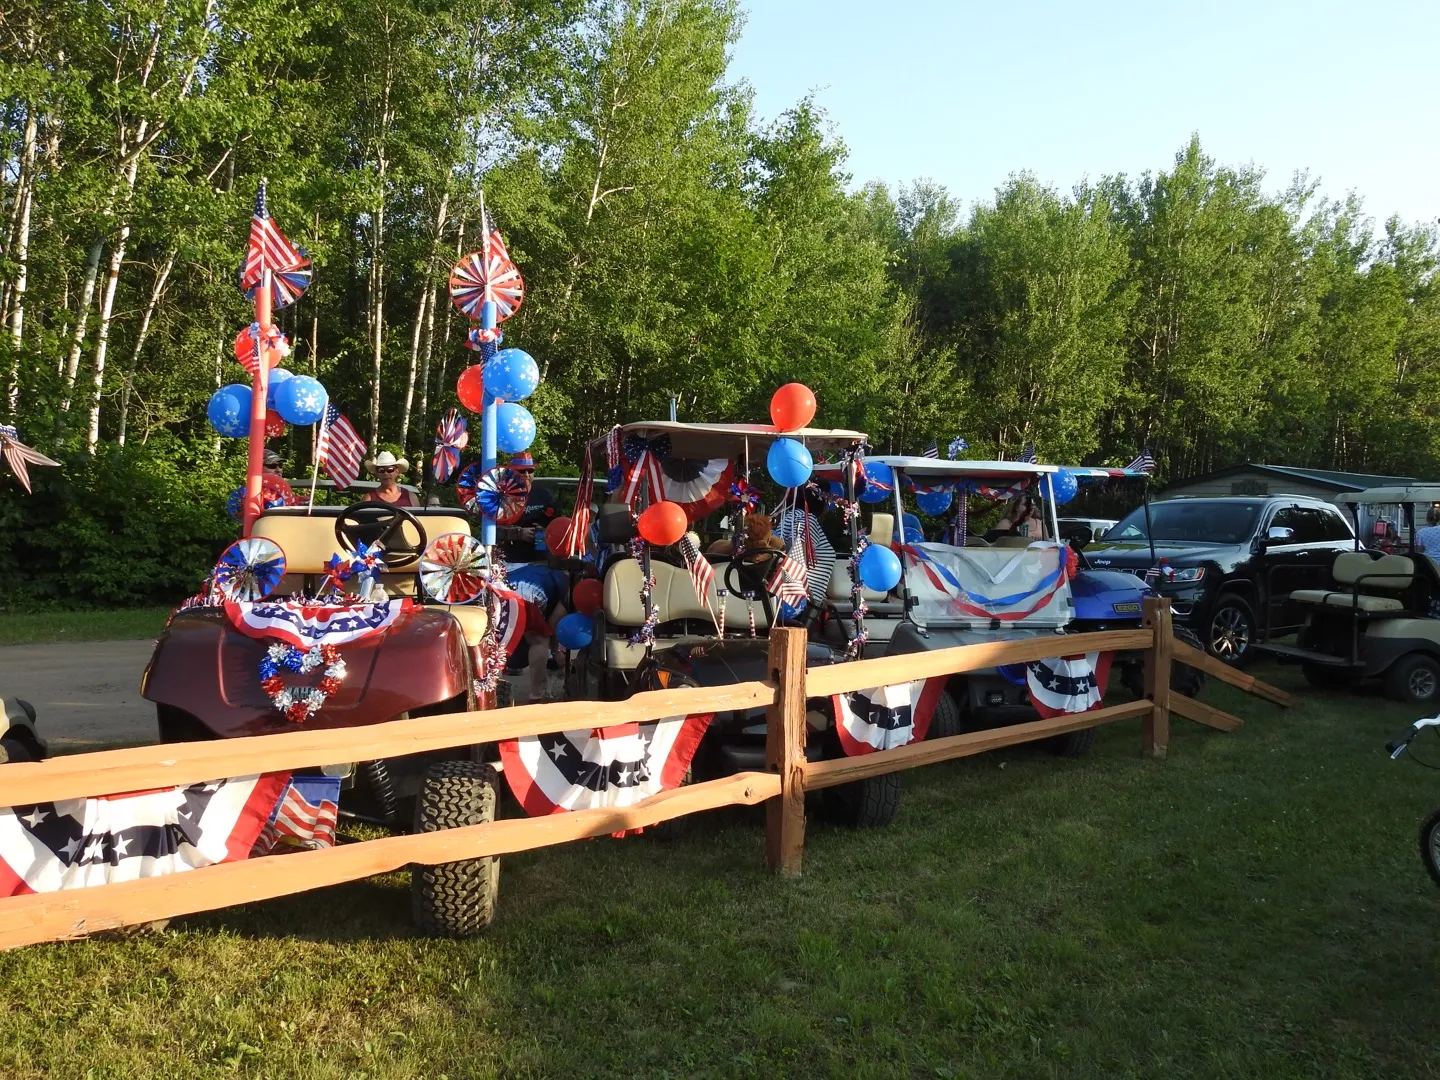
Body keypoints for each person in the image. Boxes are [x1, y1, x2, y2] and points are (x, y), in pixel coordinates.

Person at [497, 452, 557, 563]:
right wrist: (519, 533)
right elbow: (493, 531)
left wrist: (545, 530)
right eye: (521, 471)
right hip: (511, 560)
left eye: (530, 470)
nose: (526, 474)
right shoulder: (502, 497)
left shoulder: (544, 495)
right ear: (512, 473)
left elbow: (558, 523)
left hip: (540, 560)